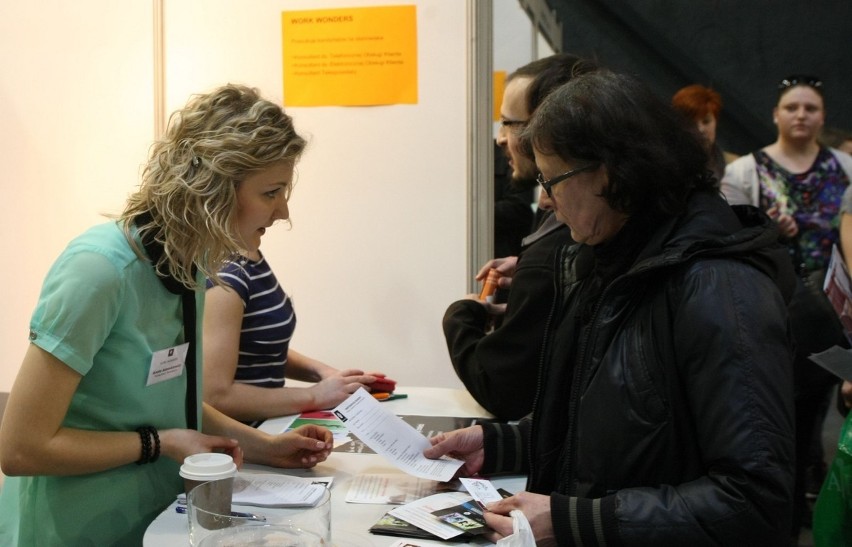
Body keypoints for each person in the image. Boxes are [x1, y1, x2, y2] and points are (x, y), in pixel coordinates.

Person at [425, 70, 797, 545]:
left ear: (608, 173)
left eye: (552, 179)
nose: (547, 200)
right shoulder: (618, 259)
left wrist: (575, 522)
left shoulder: (718, 288)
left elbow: (754, 500)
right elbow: (619, 421)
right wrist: (500, 443)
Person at [0, 84, 335, 545]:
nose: (283, 212)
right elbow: (20, 448)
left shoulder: (188, 268)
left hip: (150, 519)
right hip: (73, 528)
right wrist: (159, 443)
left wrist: (268, 448)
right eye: (272, 192)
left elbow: (170, 400)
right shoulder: (99, 271)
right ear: (214, 190)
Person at [721, 74, 852, 538]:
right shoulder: (745, 172)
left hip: (834, 314)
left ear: (822, 117)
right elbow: (729, 240)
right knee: (771, 419)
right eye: (792, 107)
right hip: (768, 310)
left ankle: (800, 513)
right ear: (776, 114)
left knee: (815, 419)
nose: (801, 115)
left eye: (810, 108)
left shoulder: (845, 167)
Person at [443, 54, 595, 420]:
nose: (500, 139)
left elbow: (503, 389)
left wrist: (461, 315)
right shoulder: (558, 243)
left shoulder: (559, 253)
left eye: (510, 124)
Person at [203, 232, 392, 422]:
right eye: (269, 199)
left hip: (267, 425)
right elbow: (216, 397)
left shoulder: (251, 257)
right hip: (244, 439)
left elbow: (258, 346)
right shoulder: (226, 279)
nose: (282, 213)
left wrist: (327, 375)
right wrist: (316, 396)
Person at [672, 83, 739, 183]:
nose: (700, 129)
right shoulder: (664, 160)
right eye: (692, 123)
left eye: (706, 121)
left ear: (716, 121)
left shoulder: (734, 165)